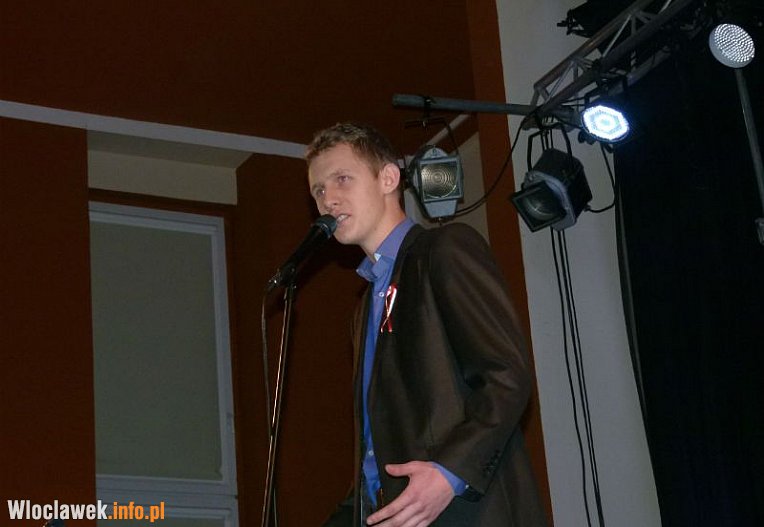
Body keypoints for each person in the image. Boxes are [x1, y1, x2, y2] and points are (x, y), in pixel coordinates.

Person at [306, 122, 547, 527]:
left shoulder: (444, 249)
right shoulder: (364, 307)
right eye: (317, 190)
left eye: (342, 179)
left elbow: (507, 376)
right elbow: (378, 445)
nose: (328, 198)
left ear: (388, 178)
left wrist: (448, 474)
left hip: (466, 512)